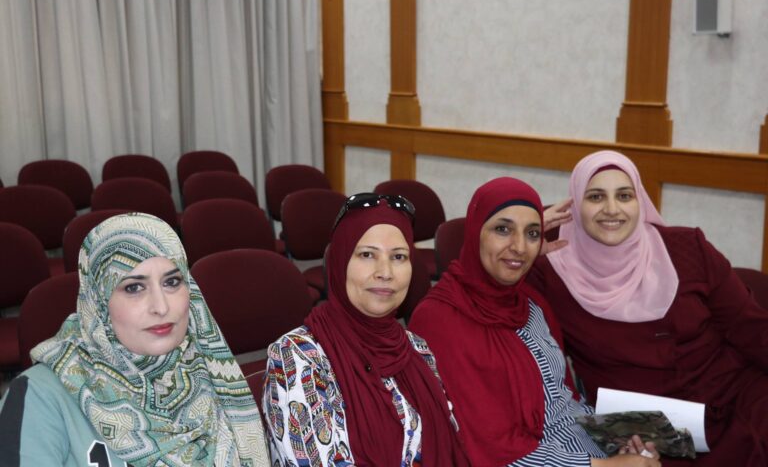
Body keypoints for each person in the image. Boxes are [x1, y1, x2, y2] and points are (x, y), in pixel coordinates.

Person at [529, 150, 768, 466]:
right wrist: (527, 236)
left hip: (733, 398)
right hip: (646, 433)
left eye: (624, 195)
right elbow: (482, 294)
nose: (612, 209)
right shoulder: (550, 272)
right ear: (575, 206)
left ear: (640, 200)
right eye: (596, 196)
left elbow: (750, 327)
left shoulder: (688, 247)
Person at [408, 177, 660, 467]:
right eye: (503, 229)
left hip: (579, 444)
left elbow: (564, 401)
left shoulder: (530, 302)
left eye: (532, 234)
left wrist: (615, 441)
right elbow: (488, 448)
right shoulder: (439, 319)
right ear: (476, 232)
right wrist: (605, 466)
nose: (519, 246)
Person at [0, 212, 269, 466]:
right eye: (134, 287)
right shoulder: (40, 396)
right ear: (99, 300)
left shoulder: (212, 373)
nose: (161, 307)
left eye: (172, 282)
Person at [262, 193, 469, 466]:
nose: (385, 272)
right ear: (340, 262)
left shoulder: (417, 349)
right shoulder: (296, 358)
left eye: (398, 256)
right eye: (367, 255)